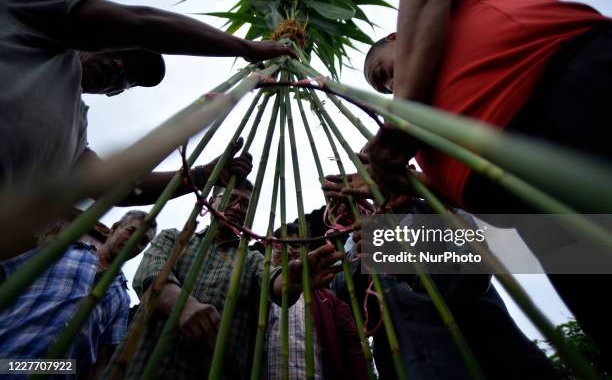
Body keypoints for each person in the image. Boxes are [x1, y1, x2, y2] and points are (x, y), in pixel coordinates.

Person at [332, 0, 612, 363]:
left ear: (397, 37)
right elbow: (485, 225)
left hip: (563, 86)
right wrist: (411, 183)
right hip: (528, 212)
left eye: (384, 72)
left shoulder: (419, 86)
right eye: (384, 88)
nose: (391, 85)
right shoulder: (418, 130)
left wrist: (401, 118)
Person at [0, 0, 294, 258]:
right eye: (120, 50)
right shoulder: (29, 17)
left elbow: (114, 187)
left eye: (128, 77)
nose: (118, 65)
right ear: (97, 39)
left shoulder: (74, 126)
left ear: (114, 92)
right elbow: (139, 24)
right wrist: (244, 48)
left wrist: (206, 174)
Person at [105, 181, 342, 380]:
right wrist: (184, 307)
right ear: (212, 202)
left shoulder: (252, 259)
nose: (238, 208)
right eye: (231, 199)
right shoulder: (175, 239)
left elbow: (274, 281)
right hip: (142, 365)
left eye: (246, 205)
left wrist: (290, 277)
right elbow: (150, 275)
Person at [331, 197, 561, 380]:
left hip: (489, 362)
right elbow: (346, 306)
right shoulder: (356, 240)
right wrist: (351, 238)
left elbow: (471, 273)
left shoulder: (435, 209)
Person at [0, 210, 157, 379]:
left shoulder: (121, 298)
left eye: (143, 242)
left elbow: (101, 357)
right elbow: (6, 275)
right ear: (114, 228)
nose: (135, 242)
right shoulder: (63, 251)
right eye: (131, 231)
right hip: (8, 352)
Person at [264, 223, 368, 380]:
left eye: (297, 245)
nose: (290, 250)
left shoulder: (329, 298)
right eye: (282, 246)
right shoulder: (258, 292)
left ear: (307, 251)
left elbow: (352, 348)